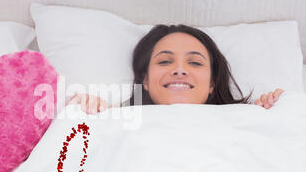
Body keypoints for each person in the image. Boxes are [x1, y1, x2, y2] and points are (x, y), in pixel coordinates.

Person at [68, 24, 284, 113]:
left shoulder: (243, 120)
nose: (179, 70)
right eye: (164, 62)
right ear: (145, 81)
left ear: (212, 83)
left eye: (195, 62)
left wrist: (264, 118)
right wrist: (90, 113)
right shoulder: (117, 121)